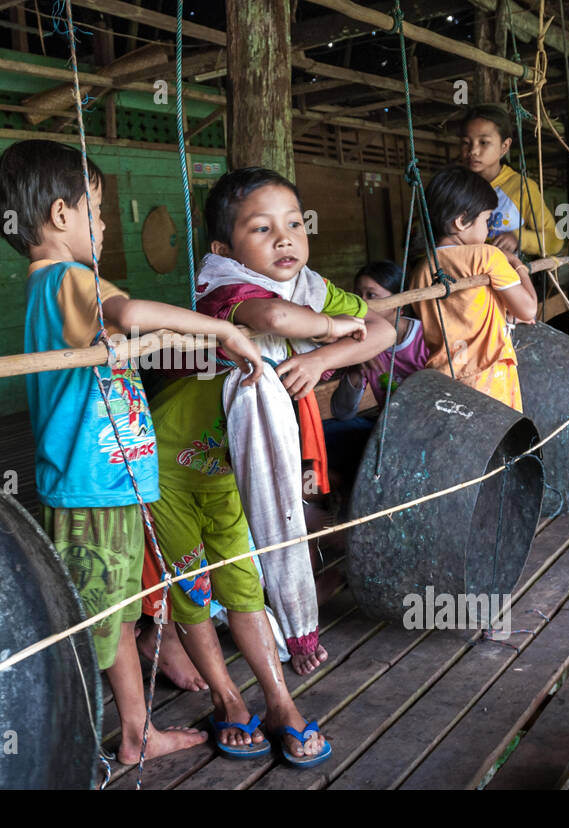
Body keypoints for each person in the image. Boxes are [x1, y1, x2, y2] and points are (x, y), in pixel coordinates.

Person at [0, 139, 264, 764]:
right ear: (61, 215)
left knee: (111, 621)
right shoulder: (66, 278)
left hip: (110, 484)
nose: (106, 223)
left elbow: (130, 332)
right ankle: (63, 750)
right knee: (93, 627)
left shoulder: (55, 289)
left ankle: (138, 735)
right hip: (91, 490)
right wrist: (223, 327)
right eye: (97, 208)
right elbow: (134, 311)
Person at [147, 166, 394, 762]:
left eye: (293, 224)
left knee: (240, 577)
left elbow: (384, 328)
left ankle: (280, 700)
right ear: (224, 250)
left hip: (235, 468)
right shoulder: (226, 294)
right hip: (170, 466)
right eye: (262, 229)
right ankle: (230, 700)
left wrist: (323, 357)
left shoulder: (308, 287)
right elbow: (275, 322)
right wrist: (337, 327)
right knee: (190, 583)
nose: (285, 239)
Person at [412, 165, 538, 411]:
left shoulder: (420, 271)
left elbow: (465, 312)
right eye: (486, 219)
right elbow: (529, 310)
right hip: (488, 377)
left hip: (443, 382)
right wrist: (518, 265)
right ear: (461, 221)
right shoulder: (486, 256)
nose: (488, 229)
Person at [325, 260, 430, 488]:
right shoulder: (362, 340)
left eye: (371, 295)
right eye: (357, 295)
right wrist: (355, 368)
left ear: (399, 302)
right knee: (321, 436)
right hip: (387, 432)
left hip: (425, 435)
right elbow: (342, 412)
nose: (361, 303)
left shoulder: (425, 338)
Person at [460, 103, 562, 258]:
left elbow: (554, 241)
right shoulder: (457, 187)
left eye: (483, 142)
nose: (473, 151)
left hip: (507, 278)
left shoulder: (521, 187)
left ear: (504, 146)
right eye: (466, 143)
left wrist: (519, 238)